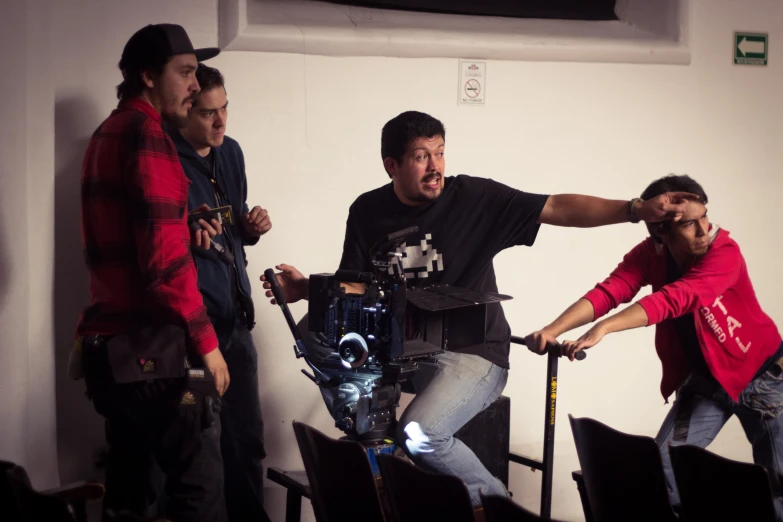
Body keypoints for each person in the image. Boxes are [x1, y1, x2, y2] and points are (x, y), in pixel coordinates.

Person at [261, 110, 694, 505]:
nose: (435, 167)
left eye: (440, 153)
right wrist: (310, 291)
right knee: (314, 328)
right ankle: (368, 432)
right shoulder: (367, 210)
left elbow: (558, 207)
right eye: (420, 156)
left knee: (421, 433)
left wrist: (635, 209)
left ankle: (495, 506)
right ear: (391, 165)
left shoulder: (474, 199)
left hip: (473, 353)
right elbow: (357, 287)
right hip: (402, 350)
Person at [525, 174, 783, 519]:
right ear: (660, 230)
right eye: (692, 223)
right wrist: (551, 329)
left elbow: (674, 299)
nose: (705, 229)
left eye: (705, 216)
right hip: (708, 382)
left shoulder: (725, 254)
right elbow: (611, 290)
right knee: (661, 469)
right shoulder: (652, 253)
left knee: (779, 488)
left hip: (764, 381)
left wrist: (605, 328)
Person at [74, 24, 228, 522]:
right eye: (184, 73)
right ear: (147, 76)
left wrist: (183, 228)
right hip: (149, 357)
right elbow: (164, 269)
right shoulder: (149, 137)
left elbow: (134, 236)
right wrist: (208, 344)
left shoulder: (106, 133)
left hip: (107, 354)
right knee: (200, 490)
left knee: (129, 493)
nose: (193, 85)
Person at [169, 63, 272, 522]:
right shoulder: (165, 161)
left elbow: (233, 225)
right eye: (209, 112)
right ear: (184, 111)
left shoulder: (230, 152)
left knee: (247, 442)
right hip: (194, 338)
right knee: (199, 450)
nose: (221, 121)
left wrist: (250, 228)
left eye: (225, 108)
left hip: (237, 326)